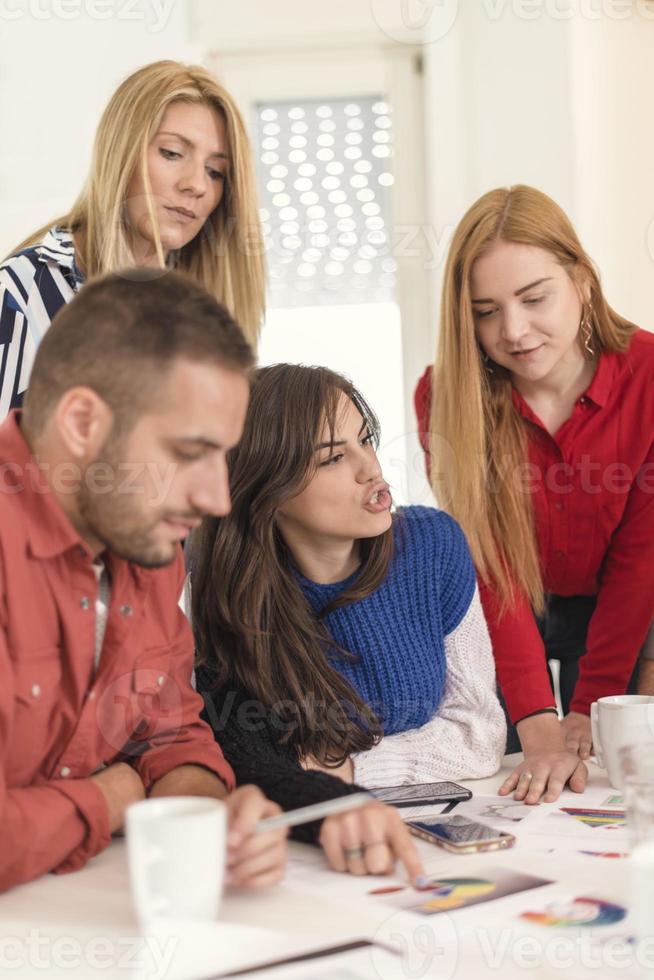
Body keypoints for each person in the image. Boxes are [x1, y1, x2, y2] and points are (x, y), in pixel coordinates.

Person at [0, 270, 285, 893]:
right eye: (189, 453)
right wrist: (108, 799)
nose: (216, 499)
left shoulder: (148, 540)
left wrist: (204, 822)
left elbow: (173, 734)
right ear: (82, 423)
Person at [193, 363, 505, 881]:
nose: (371, 470)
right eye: (334, 458)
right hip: (314, 855)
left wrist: (352, 767)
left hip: (448, 827)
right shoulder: (230, 596)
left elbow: (480, 734)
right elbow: (251, 764)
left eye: (365, 439)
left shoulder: (432, 545)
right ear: (267, 490)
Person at [414, 184, 654, 805]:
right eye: (486, 310)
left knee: (610, 768)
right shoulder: (445, 397)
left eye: (534, 298)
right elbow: (493, 570)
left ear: (582, 279)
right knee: (519, 768)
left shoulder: (650, 378)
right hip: (507, 610)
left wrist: (589, 706)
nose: (513, 332)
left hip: (621, 606)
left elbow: (640, 561)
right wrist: (535, 718)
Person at [0, 59, 265, 419]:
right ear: (120, 151)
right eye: (172, 153)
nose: (197, 185)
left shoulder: (206, 318)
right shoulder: (22, 292)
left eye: (216, 171)